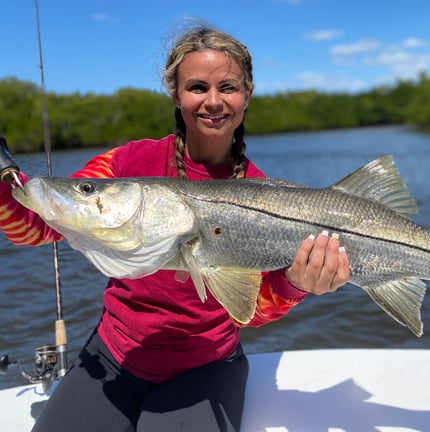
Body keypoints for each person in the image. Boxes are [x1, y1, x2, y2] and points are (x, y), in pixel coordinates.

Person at [0, 22, 350, 432]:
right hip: (114, 357)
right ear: (176, 94)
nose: (213, 101)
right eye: (197, 87)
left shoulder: (265, 194)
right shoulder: (127, 165)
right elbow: (32, 227)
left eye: (229, 87)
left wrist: (297, 284)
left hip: (205, 368)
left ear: (247, 96)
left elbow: (251, 311)